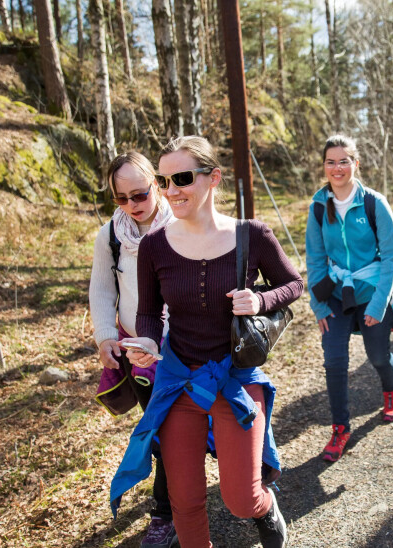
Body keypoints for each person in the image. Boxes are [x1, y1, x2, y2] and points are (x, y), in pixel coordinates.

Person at [109, 136, 304, 548]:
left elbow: (293, 283)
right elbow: (148, 310)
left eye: (182, 178)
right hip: (178, 378)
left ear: (213, 178)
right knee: (185, 503)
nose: (171, 191)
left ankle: (265, 507)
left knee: (239, 498)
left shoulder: (252, 235)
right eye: (164, 181)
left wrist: (260, 299)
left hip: (234, 379)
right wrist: (146, 339)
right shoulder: (154, 246)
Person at [306, 135, 393, 463]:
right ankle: (340, 428)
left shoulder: (374, 202)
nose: (337, 167)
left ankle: (392, 389)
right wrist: (318, 304)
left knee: (377, 355)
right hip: (334, 292)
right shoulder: (319, 206)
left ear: (355, 163)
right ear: (324, 167)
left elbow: (391, 257)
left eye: (344, 160)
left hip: (372, 290)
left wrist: (379, 304)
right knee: (334, 361)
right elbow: (315, 258)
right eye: (331, 161)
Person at [89, 152, 178, 548]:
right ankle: (168, 512)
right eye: (121, 199)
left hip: (183, 348)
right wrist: (107, 336)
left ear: (157, 186)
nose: (131, 206)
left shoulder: (183, 225)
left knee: (186, 431)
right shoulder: (111, 234)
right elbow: (102, 289)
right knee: (161, 433)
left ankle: (243, 482)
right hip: (138, 355)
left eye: (139, 195)